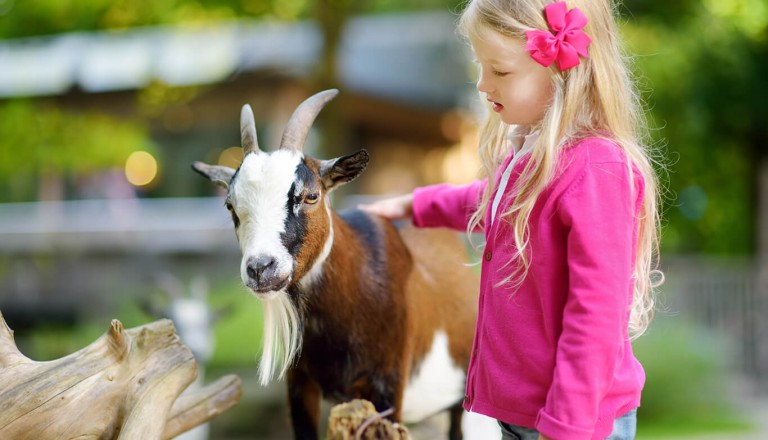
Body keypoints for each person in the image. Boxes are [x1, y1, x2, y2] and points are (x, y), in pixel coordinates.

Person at [359, 1, 663, 439]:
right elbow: (492, 203)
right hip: (527, 416)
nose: (483, 85)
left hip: (573, 422)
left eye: (499, 71)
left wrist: (566, 426)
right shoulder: (535, 156)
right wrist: (416, 206)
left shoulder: (595, 168)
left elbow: (595, 314)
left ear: (562, 71)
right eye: (480, 67)